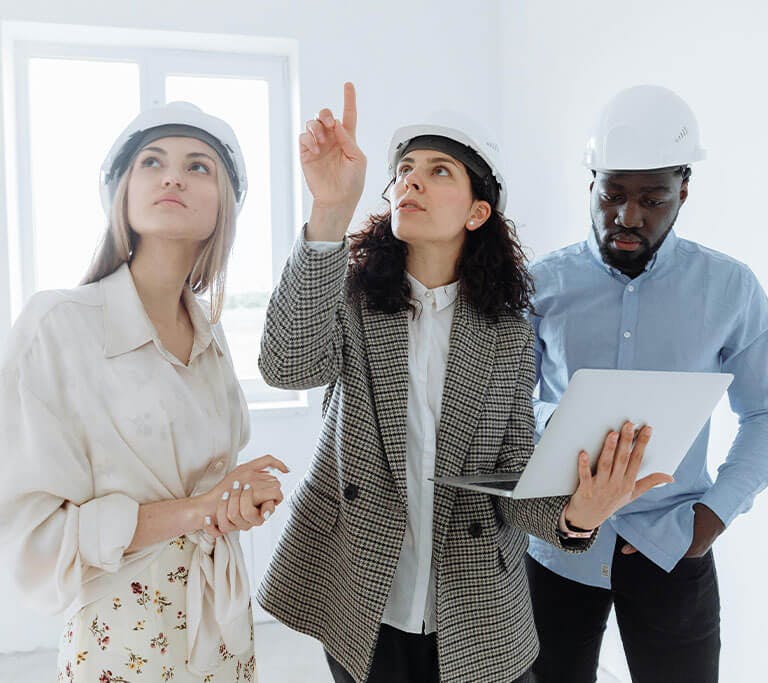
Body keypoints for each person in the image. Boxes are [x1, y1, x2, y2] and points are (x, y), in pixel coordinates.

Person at [256, 82, 669, 683]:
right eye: (403, 171)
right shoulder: (347, 295)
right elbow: (288, 367)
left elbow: (514, 467)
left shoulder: (506, 330)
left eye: (438, 170)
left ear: (478, 212)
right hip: (360, 592)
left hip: (475, 600)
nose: (410, 182)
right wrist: (328, 215)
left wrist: (579, 515)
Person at [0, 101, 288, 682]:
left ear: (224, 206)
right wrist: (199, 508)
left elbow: (207, 499)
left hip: (223, 623)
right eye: (151, 161)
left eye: (199, 166)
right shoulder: (58, 324)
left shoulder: (210, 333)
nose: (173, 176)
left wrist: (232, 500)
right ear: (123, 193)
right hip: (121, 634)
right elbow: (33, 536)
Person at [525, 84, 768, 683]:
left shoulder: (731, 289)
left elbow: (763, 413)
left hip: (673, 544)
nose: (627, 216)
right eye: (612, 195)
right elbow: (501, 411)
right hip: (557, 547)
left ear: (683, 190)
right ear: (592, 186)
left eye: (652, 198)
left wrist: (710, 518)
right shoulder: (539, 286)